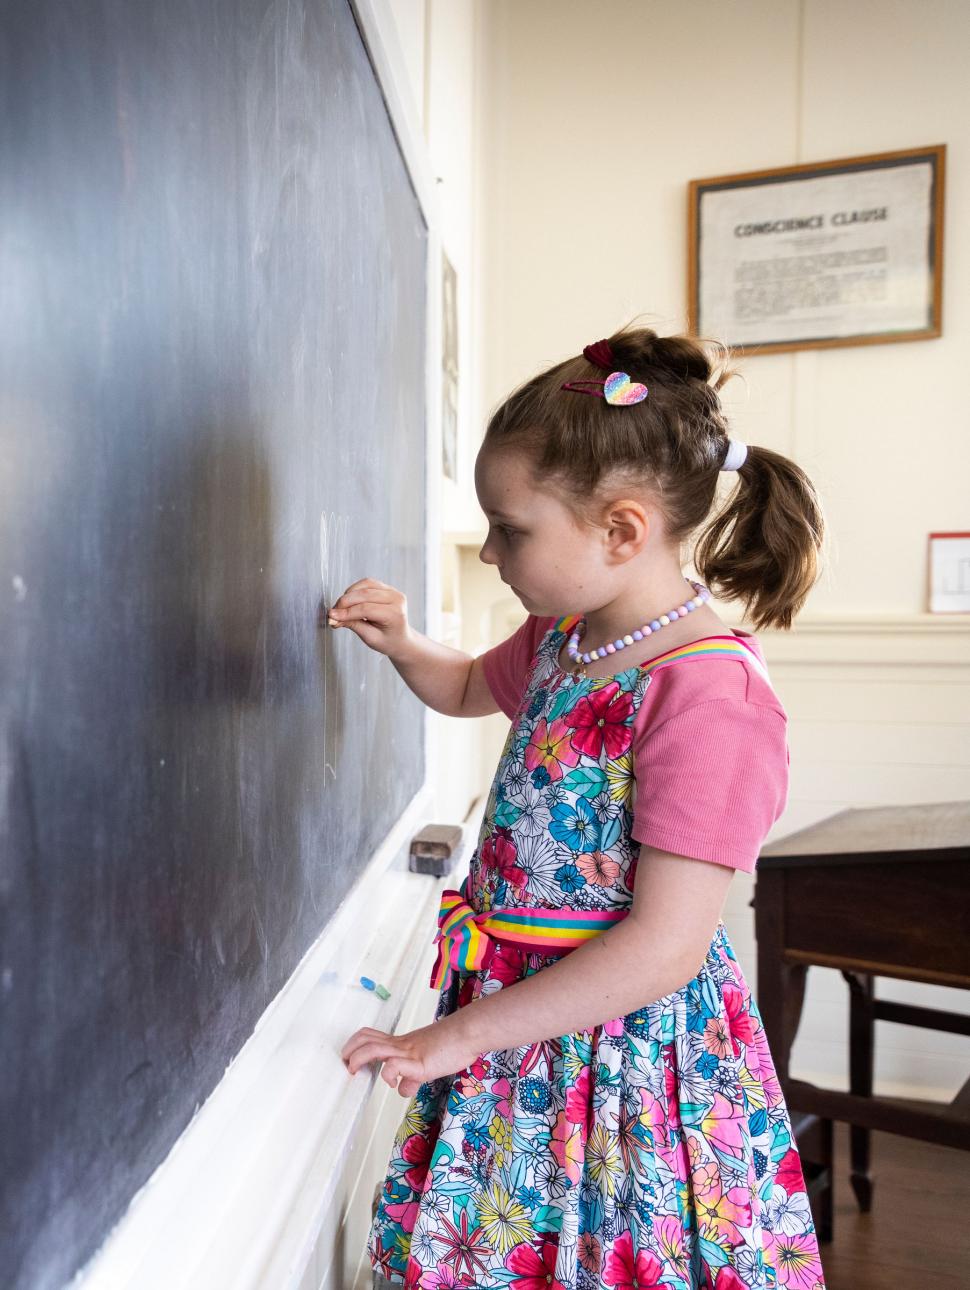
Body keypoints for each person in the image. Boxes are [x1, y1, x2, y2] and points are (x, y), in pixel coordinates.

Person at [337, 323, 828, 1290]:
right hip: (511, 1033)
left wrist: (454, 1039)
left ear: (622, 530)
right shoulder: (565, 637)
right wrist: (402, 643)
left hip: (618, 1066)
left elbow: (664, 947)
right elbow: (468, 686)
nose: (489, 552)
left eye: (511, 529)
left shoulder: (708, 696)